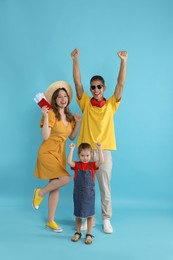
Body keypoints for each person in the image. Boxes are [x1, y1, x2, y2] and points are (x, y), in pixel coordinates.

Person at [70, 48, 128, 234]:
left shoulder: (111, 104)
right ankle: (88, 219)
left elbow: (120, 84)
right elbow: (77, 83)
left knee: (104, 187)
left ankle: (106, 219)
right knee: (85, 188)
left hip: (104, 152)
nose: (95, 90)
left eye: (99, 87)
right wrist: (75, 59)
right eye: (93, 87)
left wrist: (123, 61)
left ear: (104, 88)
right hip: (86, 152)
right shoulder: (86, 103)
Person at [32, 81, 81, 233]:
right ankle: (39, 192)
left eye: (65, 96)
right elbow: (45, 136)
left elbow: (72, 137)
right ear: (54, 100)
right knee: (65, 179)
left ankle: (50, 221)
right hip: (47, 152)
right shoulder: (51, 113)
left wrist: (78, 123)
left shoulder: (71, 117)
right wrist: (45, 116)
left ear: (68, 99)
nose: (62, 98)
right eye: (59, 96)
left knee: (56, 185)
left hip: (60, 154)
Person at [67, 142, 104, 244]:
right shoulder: (77, 165)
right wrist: (71, 149)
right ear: (79, 155)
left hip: (89, 194)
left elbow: (101, 161)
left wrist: (100, 149)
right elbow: (69, 162)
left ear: (91, 155)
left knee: (90, 215)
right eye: (82, 155)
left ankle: (89, 234)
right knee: (78, 214)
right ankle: (78, 233)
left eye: (87, 155)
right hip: (78, 193)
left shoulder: (92, 165)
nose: (85, 158)